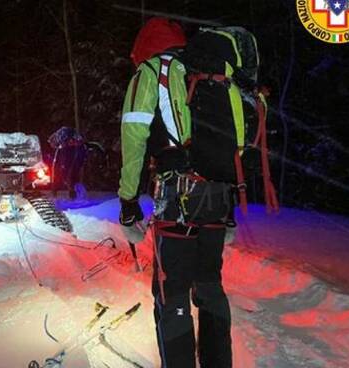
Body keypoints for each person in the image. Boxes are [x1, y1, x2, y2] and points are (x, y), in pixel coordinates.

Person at [118, 18, 233, 367]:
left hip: (178, 197)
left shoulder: (151, 72)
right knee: (210, 286)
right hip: (218, 197)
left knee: (174, 293)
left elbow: (135, 137)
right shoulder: (205, 75)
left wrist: (128, 199)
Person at [48, 126, 87, 199]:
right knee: (58, 173)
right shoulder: (61, 142)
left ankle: (72, 192)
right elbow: (61, 159)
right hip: (63, 151)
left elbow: (77, 159)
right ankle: (55, 192)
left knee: (70, 173)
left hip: (70, 151)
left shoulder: (75, 143)